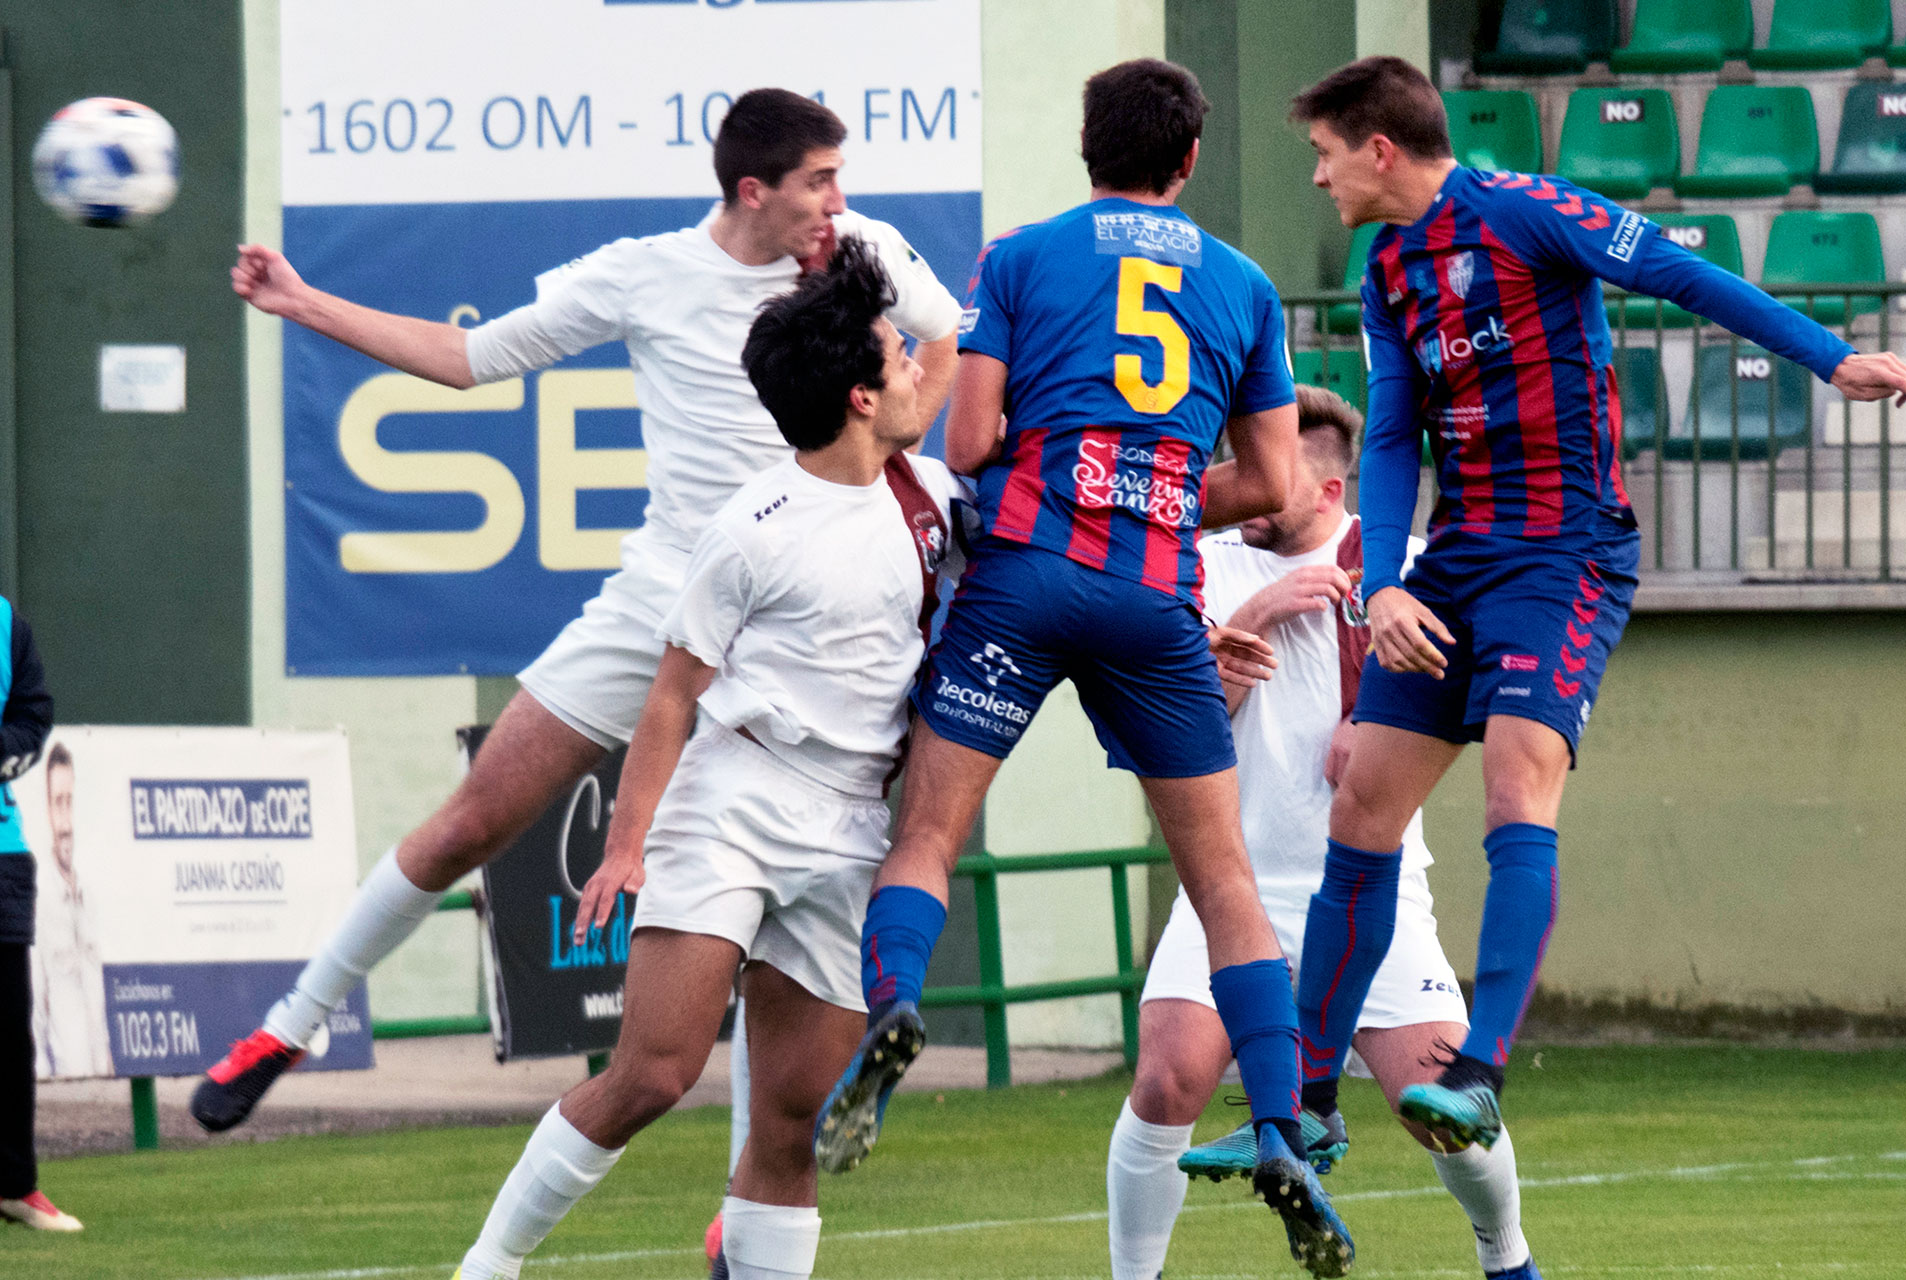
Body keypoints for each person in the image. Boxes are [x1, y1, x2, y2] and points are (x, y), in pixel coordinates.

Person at [191, 88, 960, 1132]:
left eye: (839, 178)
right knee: (475, 818)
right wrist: (302, 301)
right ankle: (290, 1020)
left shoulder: (862, 250)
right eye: (820, 180)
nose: (840, 200)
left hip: (800, 628)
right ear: (754, 189)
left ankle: (745, 1213)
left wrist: (902, 446)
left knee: (774, 946)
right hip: (662, 606)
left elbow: (946, 337)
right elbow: (468, 360)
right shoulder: (644, 275)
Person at [1283, 56, 1906, 1154]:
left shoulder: (1528, 212)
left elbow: (1680, 273)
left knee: (1512, 785)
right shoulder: (1386, 268)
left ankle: (1476, 1073)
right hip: (1456, 563)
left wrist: (1827, 358)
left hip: (1565, 554)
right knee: (1361, 811)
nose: (1317, 178)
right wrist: (1383, 579)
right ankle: (1300, 1104)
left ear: (1377, 148)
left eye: (1323, 154)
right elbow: (1390, 436)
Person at [816, 58, 1356, 1279]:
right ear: (1189, 161)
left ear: (1085, 146)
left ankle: (897, 999)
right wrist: (1164, 494)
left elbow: (967, 439)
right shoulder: (1247, 285)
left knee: (928, 836)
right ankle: (1279, 1126)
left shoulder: (1021, 257)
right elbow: (1272, 486)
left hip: (1025, 576)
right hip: (1154, 600)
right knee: (1225, 887)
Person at [453, 238, 968, 1280]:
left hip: (855, 826)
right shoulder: (751, 526)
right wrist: (625, 845)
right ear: (862, 397)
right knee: (653, 1071)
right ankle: (488, 1264)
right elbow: (672, 693)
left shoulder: (939, 501)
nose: (920, 361)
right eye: (897, 352)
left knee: (788, 1122)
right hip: (733, 802)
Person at [1106, 386, 1539, 1280]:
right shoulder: (1201, 568)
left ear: (1333, 490)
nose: (1246, 486)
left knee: (1439, 1102)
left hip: (1373, 887)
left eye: (1271, 471)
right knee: (1168, 1079)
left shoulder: (1411, 571)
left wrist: (1374, 718)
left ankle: (1507, 1258)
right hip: (1229, 883)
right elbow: (1176, 725)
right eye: (1240, 461)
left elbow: (1474, 699)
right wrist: (1255, 619)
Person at [0, 597, 81, 1232]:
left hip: (0, 857)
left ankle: (14, 1185)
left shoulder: (7, 624)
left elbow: (32, 717)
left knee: (6, 1033)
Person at [30, 742, 112, 1080]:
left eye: (70, 802)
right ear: (47, 811)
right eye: (57, 803)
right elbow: (34, 1008)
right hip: (68, 1088)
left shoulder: (90, 894)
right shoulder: (38, 897)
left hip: (103, 1080)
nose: (65, 820)